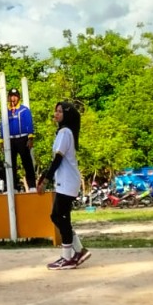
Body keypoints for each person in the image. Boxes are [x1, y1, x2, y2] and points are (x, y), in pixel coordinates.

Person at [36, 101, 90, 270]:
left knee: (58, 216)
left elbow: (58, 159)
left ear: (67, 115)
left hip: (67, 182)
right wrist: (45, 175)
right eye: (56, 111)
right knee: (61, 217)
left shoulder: (65, 132)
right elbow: (55, 160)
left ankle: (68, 257)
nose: (56, 114)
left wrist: (46, 180)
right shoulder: (63, 132)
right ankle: (79, 251)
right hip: (66, 181)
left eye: (60, 111)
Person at [6, 88, 36, 191]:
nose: (13, 98)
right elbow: (3, 125)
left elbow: (29, 124)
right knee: (11, 165)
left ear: (18, 98)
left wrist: (30, 138)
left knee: (27, 162)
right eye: (11, 96)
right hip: (10, 140)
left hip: (22, 138)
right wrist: (2, 140)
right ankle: (13, 187)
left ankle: (32, 186)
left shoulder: (24, 110)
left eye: (15, 96)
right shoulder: (6, 111)